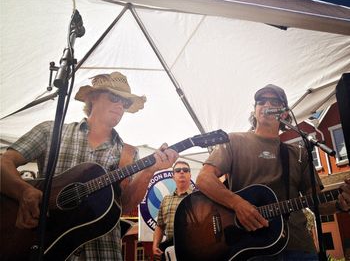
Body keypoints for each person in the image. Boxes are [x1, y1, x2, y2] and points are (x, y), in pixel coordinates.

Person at [0, 71, 178, 260]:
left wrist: (149, 172)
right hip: (44, 246)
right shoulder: (50, 131)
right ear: (92, 97)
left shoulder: (128, 153)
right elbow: (4, 163)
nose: (120, 106)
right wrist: (23, 191)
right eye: (114, 97)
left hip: (102, 252)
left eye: (124, 103)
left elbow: (123, 206)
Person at [196, 84, 350, 260]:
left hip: (299, 247)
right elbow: (204, 178)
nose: (267, 105)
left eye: (274, 101)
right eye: (261, 101)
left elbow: (316, 201)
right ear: (254, 111)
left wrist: (340, 203)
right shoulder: (233, 141)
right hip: (251, 248)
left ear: (284, 113)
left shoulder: (298, 152)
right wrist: (237, 204)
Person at [153, 160, 193, 260]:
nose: (182, 172)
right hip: (170, 250)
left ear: (190, 175)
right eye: (178, 170)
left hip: (193, 249)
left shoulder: (198, 198)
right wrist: (155, 245)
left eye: (185, 170)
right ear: (173, 176)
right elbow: (160, 225)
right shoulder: (166, 200)